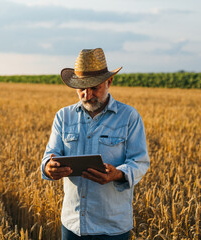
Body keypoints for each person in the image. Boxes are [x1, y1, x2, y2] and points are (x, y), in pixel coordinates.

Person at [41, 48, 150, 240]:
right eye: (81, 88)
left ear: (109, 82)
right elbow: (49, 157)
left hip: (112, 226)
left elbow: (140, 162)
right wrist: (50, 168)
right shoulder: (63, 117)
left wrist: (118, 174)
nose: (87, 94)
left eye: (94, 87)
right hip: (73, 225)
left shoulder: (129, 117)